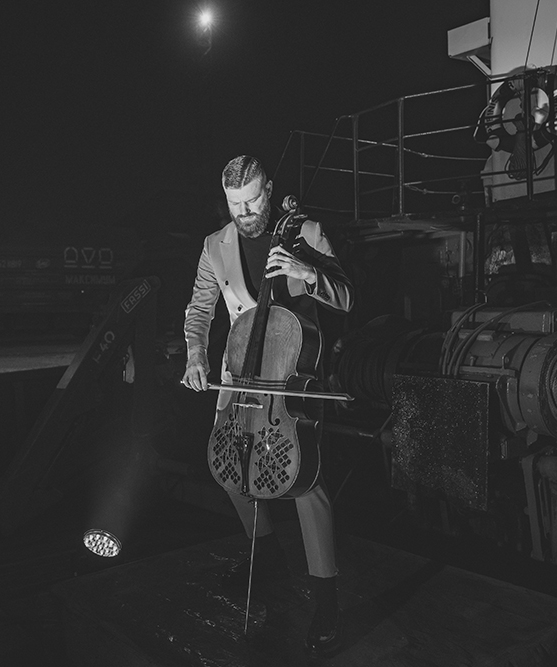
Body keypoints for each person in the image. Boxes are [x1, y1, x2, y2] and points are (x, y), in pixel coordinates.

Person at [182, 155, 353, 654]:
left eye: (253, 201)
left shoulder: (306, 232)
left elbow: (346, 297)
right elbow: (200, 308)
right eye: (235, 204)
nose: (245, 212)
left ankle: (326, 598)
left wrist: (308, 271)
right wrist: (196, 355)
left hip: (292, 376)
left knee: (305, 481)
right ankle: (268, 556)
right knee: (231, 465)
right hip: (239, 376)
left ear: (270, 190)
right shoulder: (214, 245)